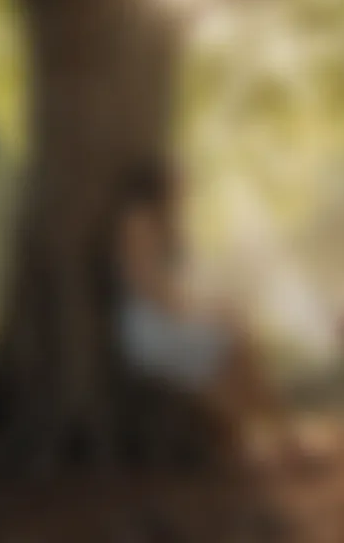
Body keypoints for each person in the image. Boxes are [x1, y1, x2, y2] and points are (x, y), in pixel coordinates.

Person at [110, 159, 295, 471]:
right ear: (160, 187)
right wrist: (207, 311)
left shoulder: (165, 223)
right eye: (178, 184)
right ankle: (283, 442)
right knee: (236, 345)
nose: (185, 190)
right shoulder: (137, 222)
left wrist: (212, 307)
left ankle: (269, 441)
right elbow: (150, 288)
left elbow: (174, 288)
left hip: (167, 318)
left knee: (238, 349)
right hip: (149, 329)